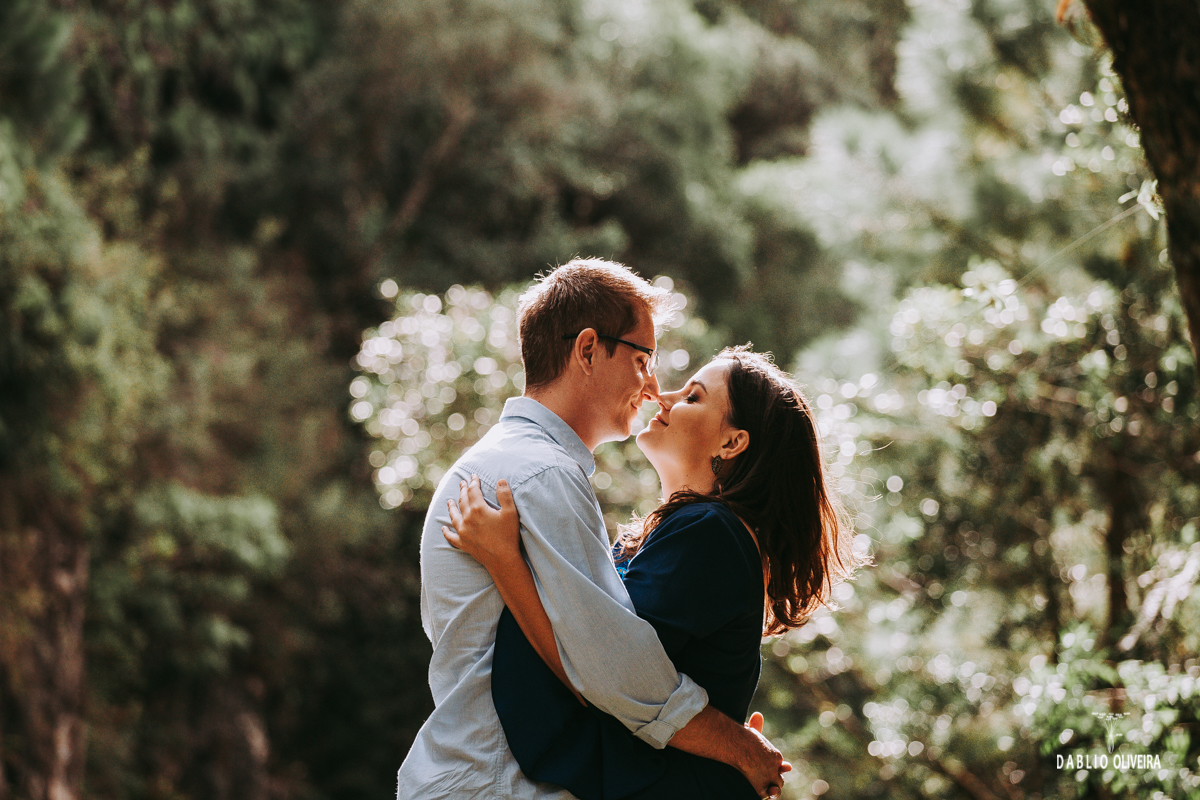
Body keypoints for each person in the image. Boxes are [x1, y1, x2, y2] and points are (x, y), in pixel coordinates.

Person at [396, 259, 790, 800]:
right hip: (501, 782)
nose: (654, 386)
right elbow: (609, 666)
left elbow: (596, 654)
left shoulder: (506, 463)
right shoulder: (543, 475)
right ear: (588, 350)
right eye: (643, 359)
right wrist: (738, 749)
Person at [443, 346, 859, 800]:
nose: (663, 397)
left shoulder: (710, 533)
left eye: (693, 397)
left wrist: (505, 561)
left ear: (732, 442)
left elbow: (601, 674)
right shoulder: (690, 531)